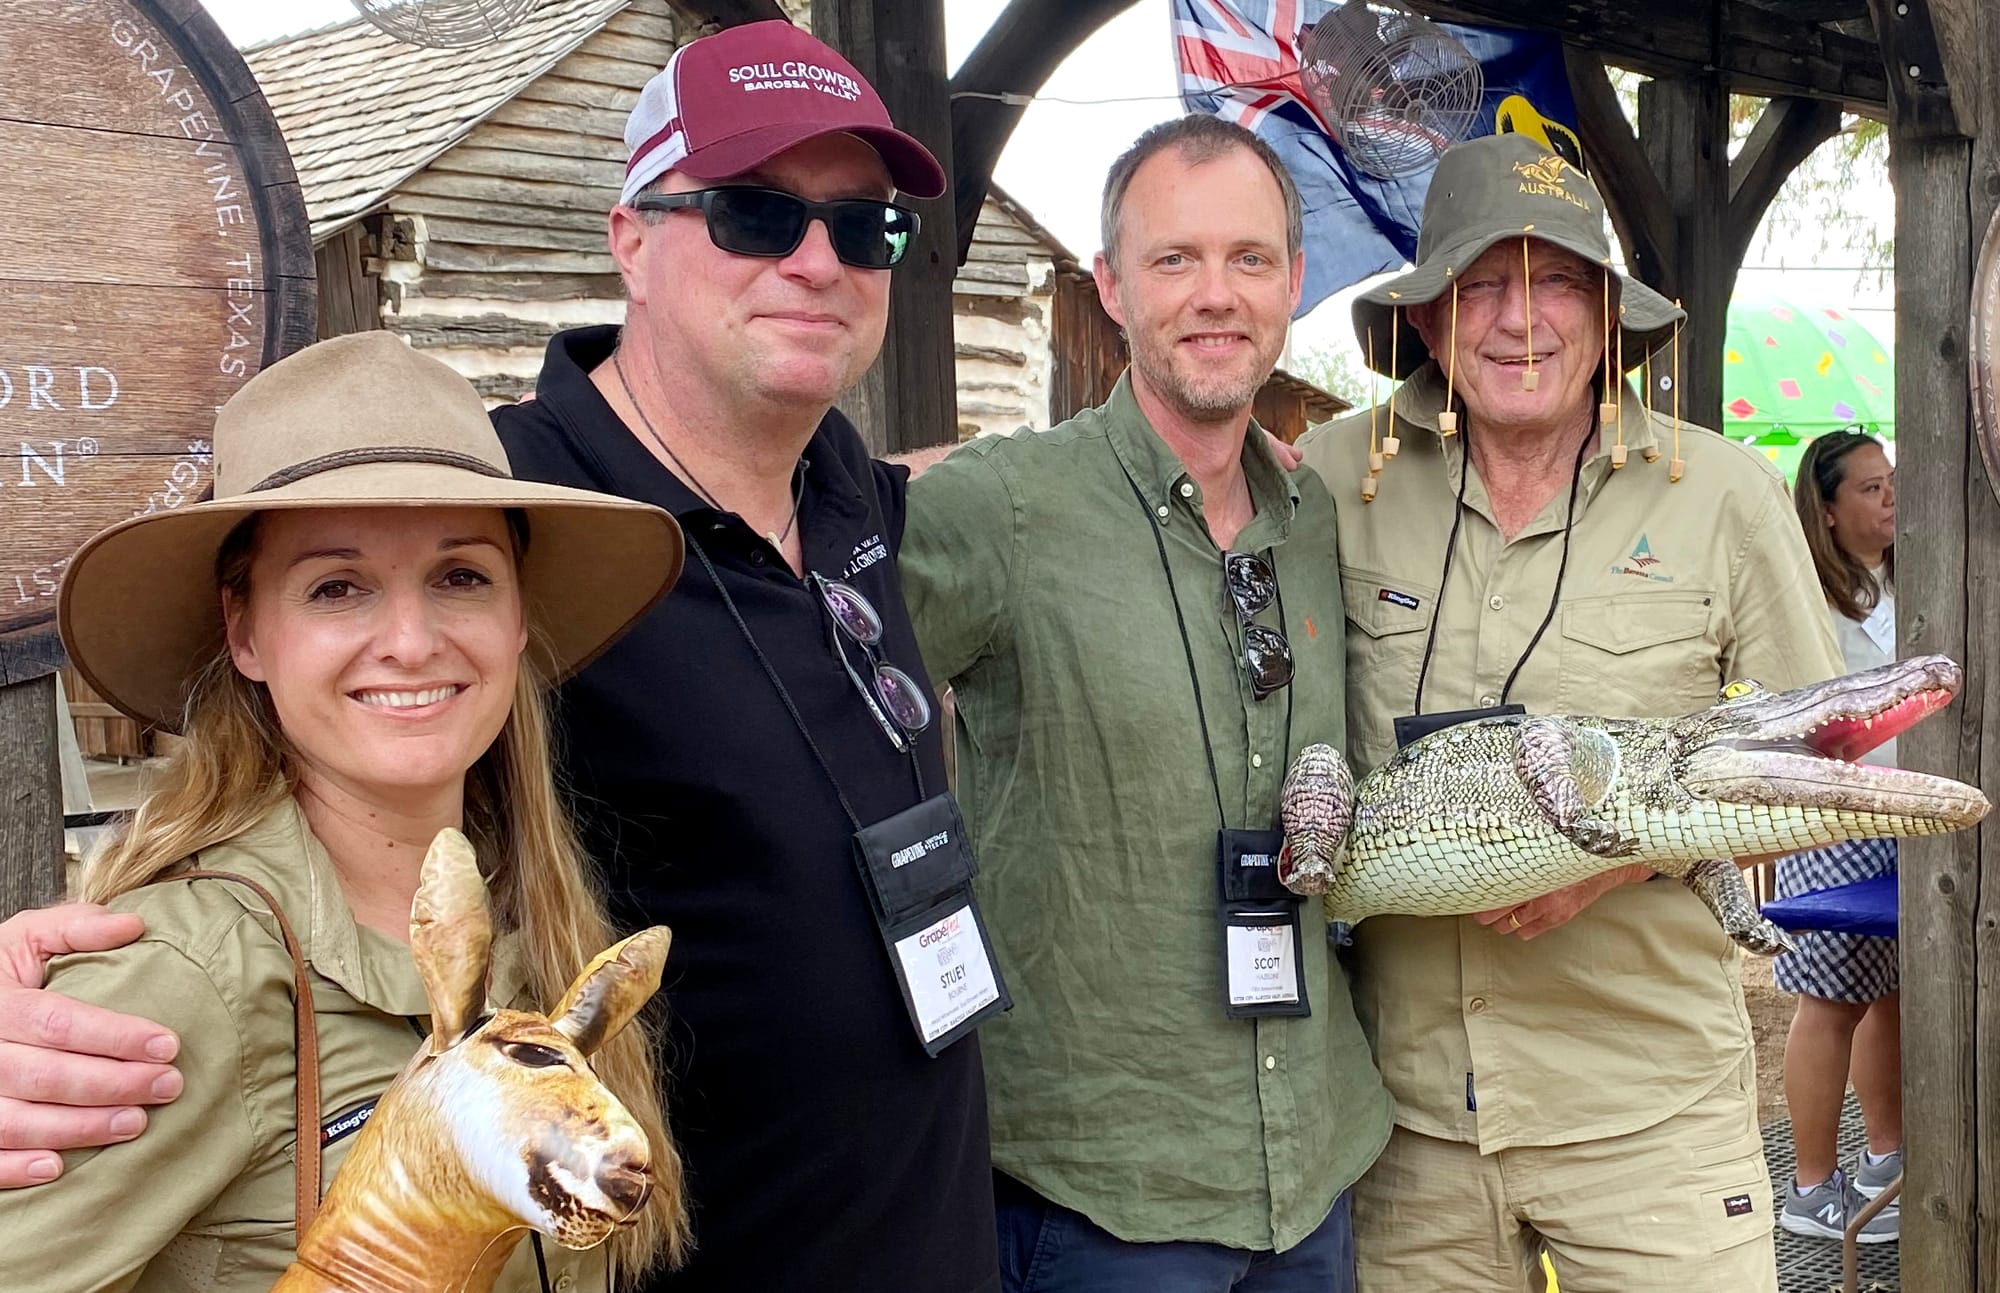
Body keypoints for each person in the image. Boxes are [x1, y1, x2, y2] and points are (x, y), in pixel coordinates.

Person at [0, 22, 1001, 1292]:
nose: (818, 260)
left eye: (866, 229)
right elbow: (277, 837)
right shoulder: (507, 496)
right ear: (628, 240)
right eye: (754, 215)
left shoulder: (844, 489)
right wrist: (79, 977)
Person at [0, 331, 687, 1290]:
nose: (410, 641)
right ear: (245, 632)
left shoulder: (542, 942)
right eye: (337, 587)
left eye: (460, 576)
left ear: (517, 614)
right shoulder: (182, 981)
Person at [1293, 133, 1844, 1293]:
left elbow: (1806, 778)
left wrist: (1615, 860)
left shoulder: (1723, 494)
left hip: (1650, 1117)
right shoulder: (1331, 480)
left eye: (1555, 282)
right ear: (1429, 316)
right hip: (1404, 1127)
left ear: (1605, 315)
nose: (1519, 320)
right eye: (1482, 283)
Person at [899, 113, 1391, 1292]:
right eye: (1173, 260)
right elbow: (817, 680)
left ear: (1293, 284)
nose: (1213, 295)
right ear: (1109, 286)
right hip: (1102, 1199)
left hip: (1312, 1169)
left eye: (1248, 259)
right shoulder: (1003, 507)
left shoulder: (1308, 514)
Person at [1774, 428, 1902, 1245]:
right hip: (1837, 816)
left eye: (1892, 483)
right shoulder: (1807, 598)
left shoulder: (1901, 575)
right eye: (1870, 488)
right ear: (1825, 509)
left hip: (1900, 814)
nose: (1891, 500)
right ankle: (1810, 1183)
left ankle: (1886, 1154)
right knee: (1831, 999)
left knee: (1891, 992)